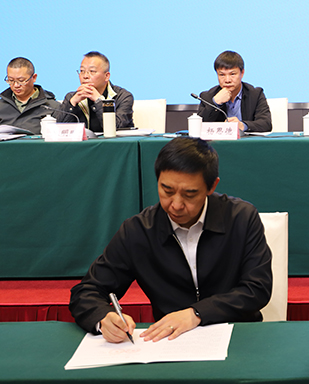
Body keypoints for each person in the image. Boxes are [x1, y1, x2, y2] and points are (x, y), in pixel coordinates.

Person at [69, 137, 272, 343]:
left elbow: (257, 289)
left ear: (212, 186)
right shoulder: (138, 231)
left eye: (189, 194)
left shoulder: (241, 218)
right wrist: (103, 318)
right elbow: (87, 292)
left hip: (237, 336)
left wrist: (197, 313)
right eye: (167, 191)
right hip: (171, 343)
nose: (176, 205)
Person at [197, 50, 272, 132]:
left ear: (242, 73)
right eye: (222, 75)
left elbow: (266, 124)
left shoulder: (255, 94)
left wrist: (243, 125)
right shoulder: (208, 97)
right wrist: (215, 103)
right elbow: (198, 127)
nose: (227, 80)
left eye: (232, 74)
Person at [59, 51, 134, 132]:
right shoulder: (71, 97)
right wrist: (72, 103)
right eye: (82, 71)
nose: (85, 76)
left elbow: (117, 127)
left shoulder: (123, 97)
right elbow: (59, 131)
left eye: (92, 71)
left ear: (106, 76)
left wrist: (98, 101)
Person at [0, 57, 60, 134]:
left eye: (21, 80)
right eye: (11, 80)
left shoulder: (53, 107)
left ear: (34, 78)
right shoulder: (1, 105)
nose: (16, 85)